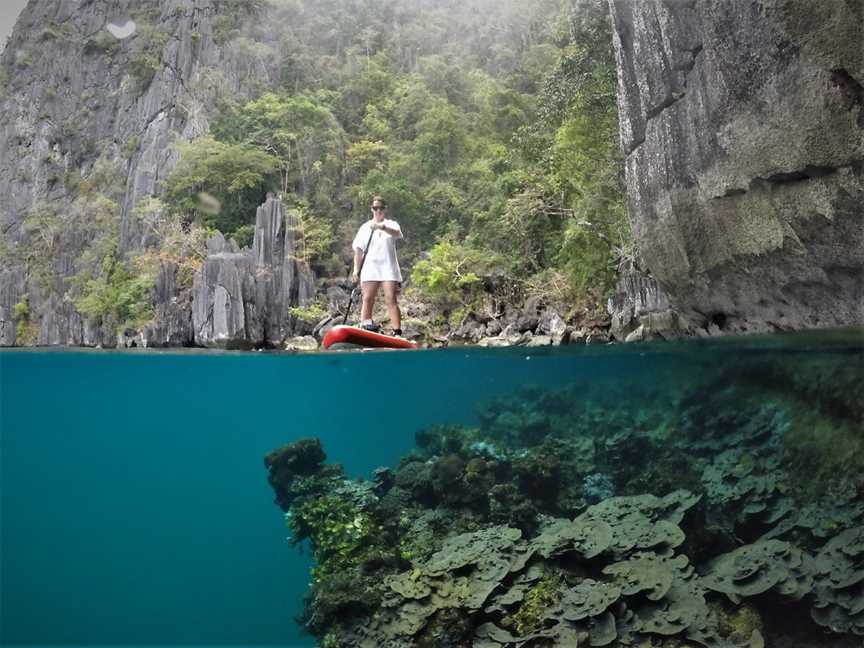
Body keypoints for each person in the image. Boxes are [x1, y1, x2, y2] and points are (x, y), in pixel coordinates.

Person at [351, 196, 403, 335]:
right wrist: (356, 271)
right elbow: (358, 250)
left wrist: (381, 226)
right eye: (375, 208)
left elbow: (397, 233)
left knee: (390, 298)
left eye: (380, 208)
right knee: (367, 298)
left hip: (388, 268)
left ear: (384, 209)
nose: (378, 210)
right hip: (370, 268)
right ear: (371, 209)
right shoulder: (364, 227)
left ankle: (397, 331)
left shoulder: (391, 224)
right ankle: (366, 325)